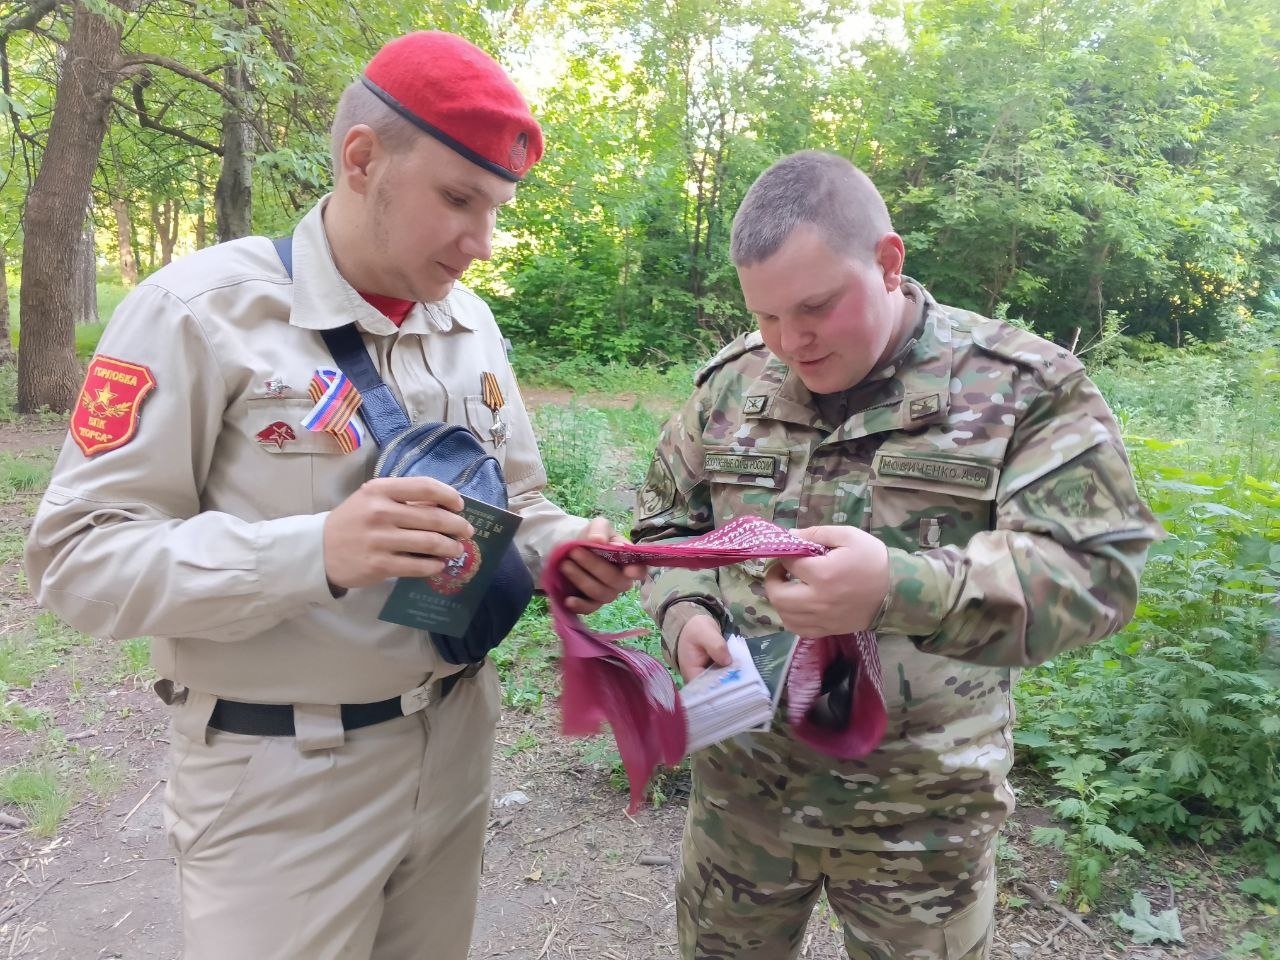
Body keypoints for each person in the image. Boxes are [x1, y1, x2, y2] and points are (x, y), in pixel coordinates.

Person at [24, 30, 638, 960]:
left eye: (497, 208)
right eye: (459, 199)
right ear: (362, 160)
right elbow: (77, 558)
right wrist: (314, 552)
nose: (482, 240)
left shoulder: (469, 324)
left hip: (456, 752)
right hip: (280, 781)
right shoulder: (199, 312)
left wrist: (559, 549)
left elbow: (517, 500)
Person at [631, 150, 1163, 960]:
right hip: (743, 800)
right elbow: (664, 526)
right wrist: (684, 612)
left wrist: (899, 586)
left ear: (887, 262)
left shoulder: (1024, 385)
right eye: (766, 316)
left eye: (814, 307)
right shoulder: (734, 385)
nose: (790, 342)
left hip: (922, 822)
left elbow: (1097, 577)